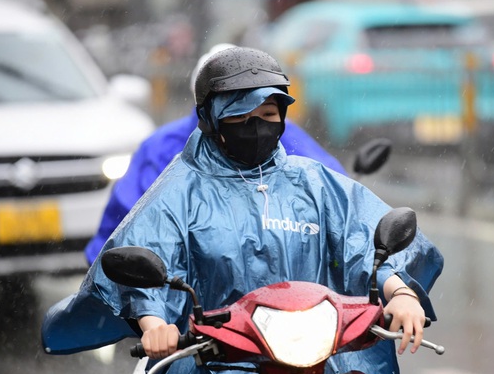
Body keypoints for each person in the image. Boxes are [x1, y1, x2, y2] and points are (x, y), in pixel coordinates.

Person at [42, 46, 444, 374]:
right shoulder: (180, 191)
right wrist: (154, 324)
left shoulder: (316, 183)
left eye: (268, 116)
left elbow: (363, 242)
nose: (256, 127)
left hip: (320, 364)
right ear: (210, 119)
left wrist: (402, 293)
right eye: (240, 117)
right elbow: (152, 255)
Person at [84, 43, 346, 266]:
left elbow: (339, 207)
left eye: (265, 111)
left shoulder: (291, 142)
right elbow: (131, 226)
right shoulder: (166, 156)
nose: (255, 125)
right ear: (210, 112)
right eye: (237, 112)